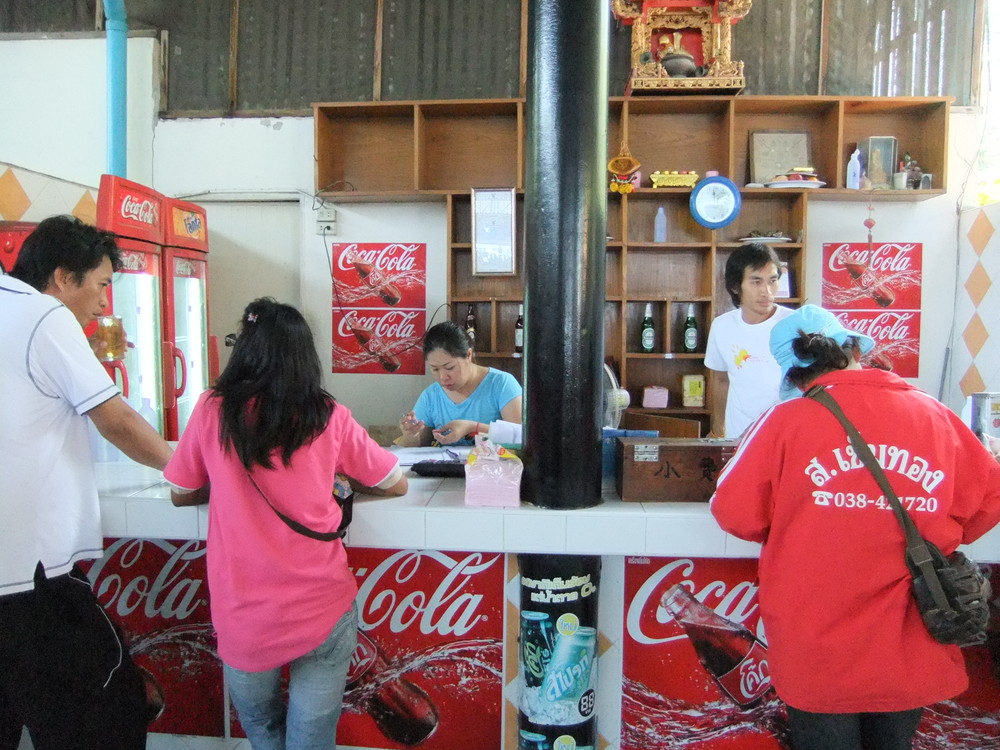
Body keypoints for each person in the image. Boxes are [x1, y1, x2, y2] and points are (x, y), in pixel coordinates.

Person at [710, 304, 1000, 750]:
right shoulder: (934, 415)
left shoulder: (784, 422)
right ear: (855, 351)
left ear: (794, 376)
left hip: (816, 639)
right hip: (909, 633)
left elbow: (734, 513)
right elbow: (989, 500)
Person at [164, 297, 407, 750]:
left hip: (244, 613)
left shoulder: (212, 410)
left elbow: (181, 491)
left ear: (245, 349)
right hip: (322, 606)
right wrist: (334, 476)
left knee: (262, 727)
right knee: (310, 739)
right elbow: (395, 484)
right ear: (304, 356)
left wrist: (227, 481)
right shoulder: (327, 414)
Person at [0, 215, 173, 749]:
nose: (103, 303)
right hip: (28, 575)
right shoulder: (42, 314)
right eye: (100, 284)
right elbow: (116, 420)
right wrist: (189, 469)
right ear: (62, 277)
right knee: (104, 717)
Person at [704, 242, 794, 438]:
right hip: (739, 437)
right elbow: (720, 379)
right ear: (735, 287)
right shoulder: (722, 326)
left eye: (772, 280)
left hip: (787, 436)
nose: (767, 291)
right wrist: (718, 428)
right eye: (756, 282)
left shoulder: (795, 325)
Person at [398, 320, 522, 446]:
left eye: (450, 367)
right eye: (435, 369)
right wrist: (410, 435)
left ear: (468, 355)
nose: (443, 377)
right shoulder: (431, 396)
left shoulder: (502, 384)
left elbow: (522, 437)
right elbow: (417, 447)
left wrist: (473, 427)